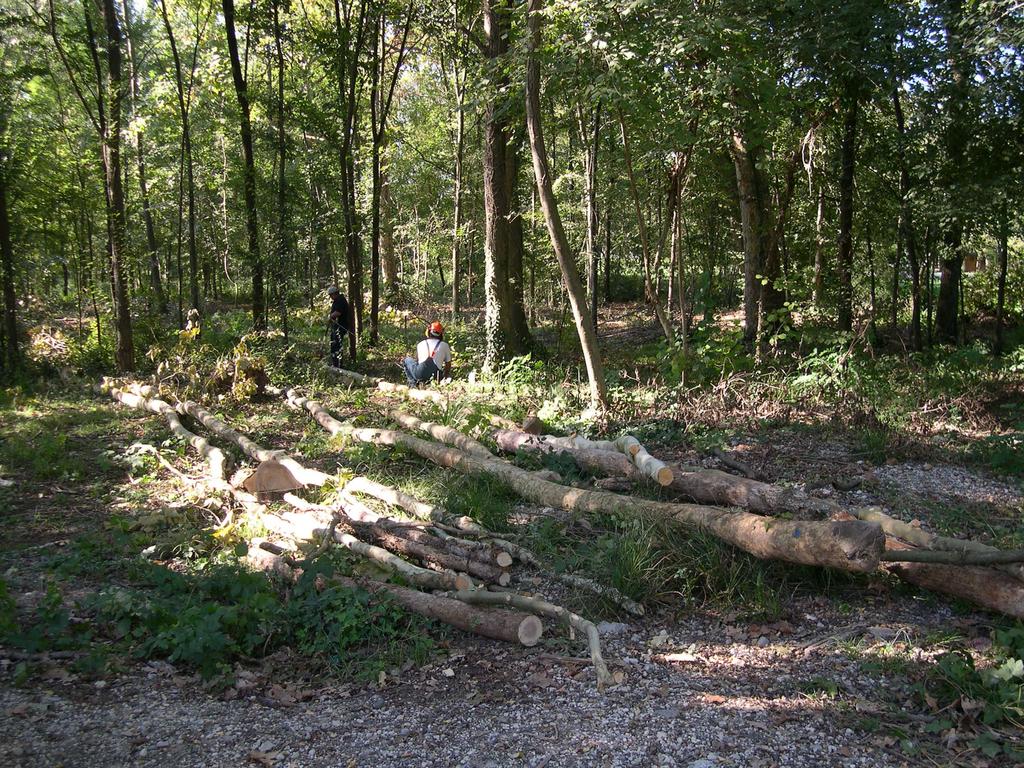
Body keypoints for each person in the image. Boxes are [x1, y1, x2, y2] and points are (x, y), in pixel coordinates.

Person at [403, 321, 452, 387]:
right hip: (436, 376)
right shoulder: (445, 345)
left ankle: (413, 384)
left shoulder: (421, 344)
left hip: (420, 374)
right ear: (441, 334)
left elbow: (418, 361)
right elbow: (448, 365)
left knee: (407, 360)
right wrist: (445, 377)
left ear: (428, 332)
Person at [326, 285, 349, 367]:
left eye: (330, 295)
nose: (330, 297)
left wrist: (331, 316)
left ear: (334, 294)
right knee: (334, 344)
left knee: (337, 345)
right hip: (337, 326)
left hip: (341, 326)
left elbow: (338, 312)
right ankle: (335, 363)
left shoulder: (340, 300)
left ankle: (338, 365)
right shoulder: (337, 300)